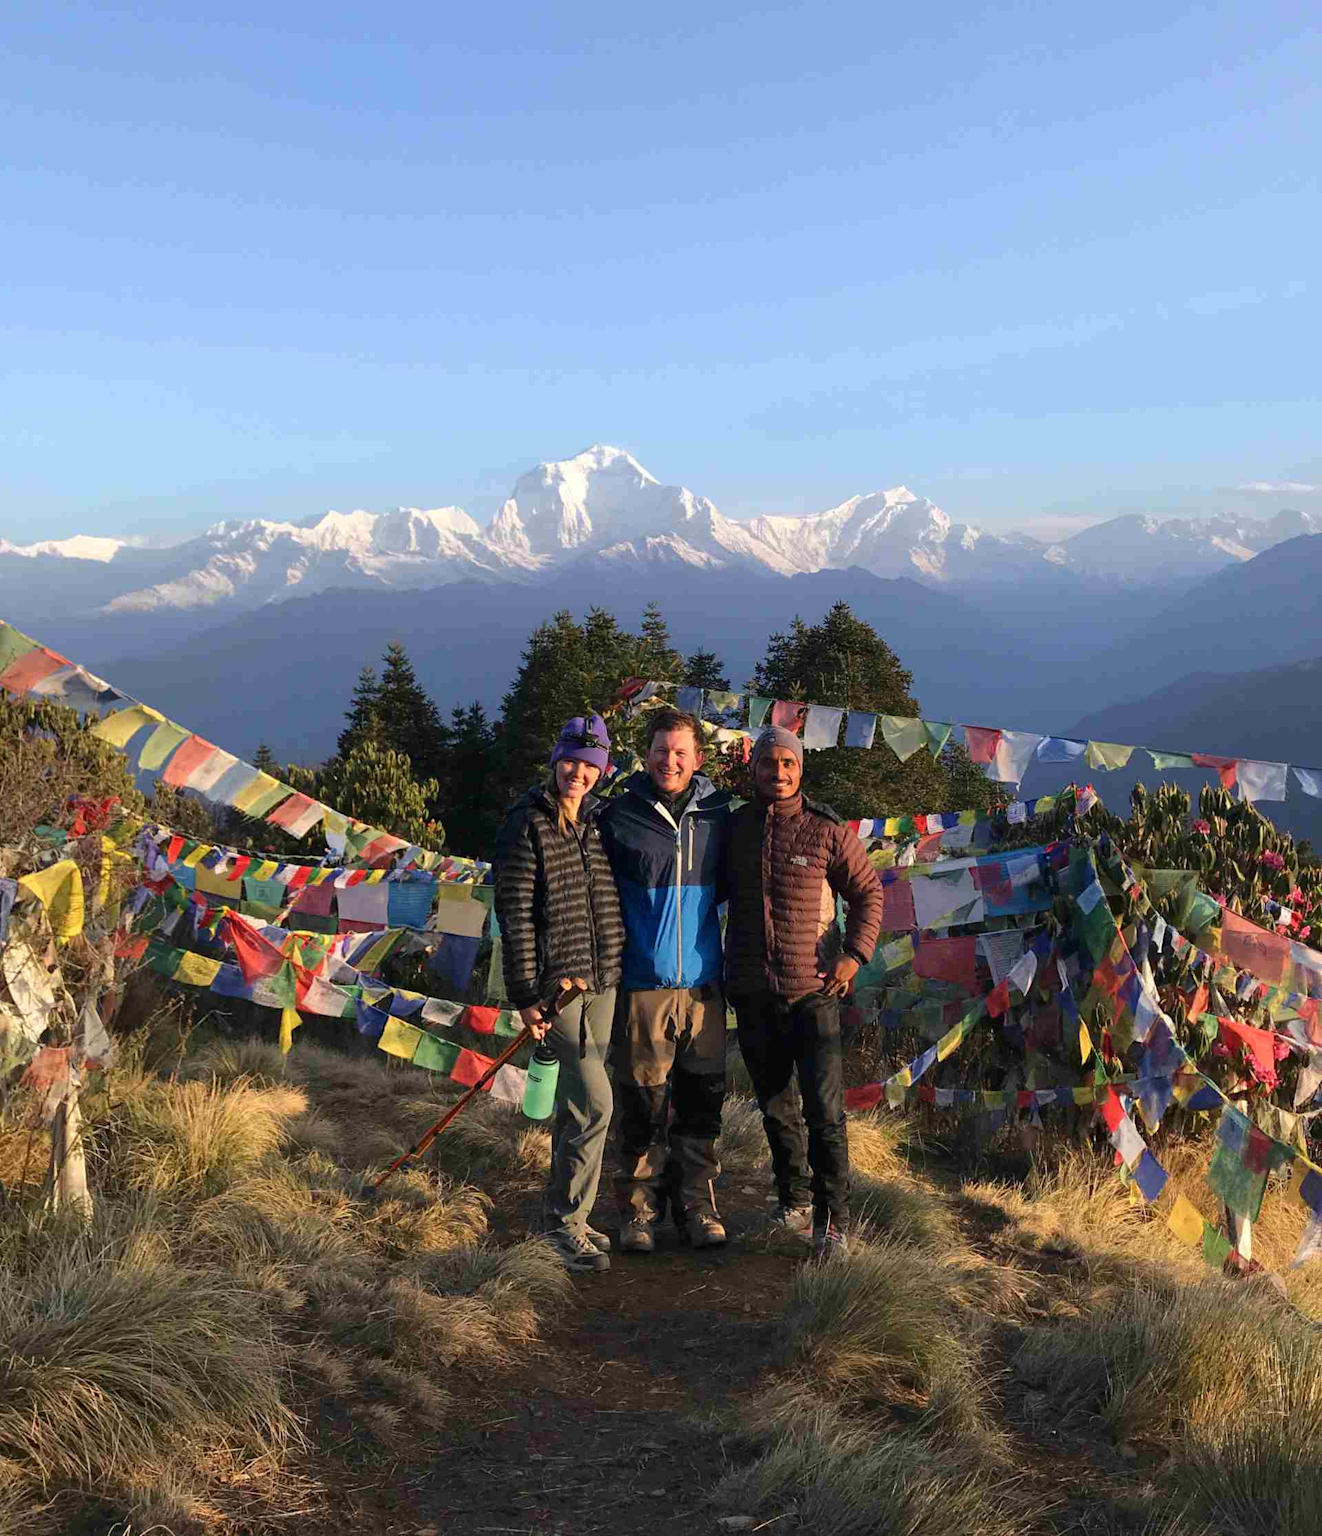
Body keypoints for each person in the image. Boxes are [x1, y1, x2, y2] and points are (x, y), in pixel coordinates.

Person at [724, 725, 883, 1258]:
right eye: (769, 763)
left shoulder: (825, 830)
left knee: (825, 1113)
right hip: (751, 991)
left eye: (788, 764)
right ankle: (791, 1199)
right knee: (774, 1106)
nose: (779, 772)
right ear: (755, 770)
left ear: (800, 770)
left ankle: (832, 1221)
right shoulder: (735, 829)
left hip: (814, 993)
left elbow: (867, 892)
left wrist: (854, 955)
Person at [493, 715, 625, 1274]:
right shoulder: (527, 824)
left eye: (590, 766)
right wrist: (526, 994)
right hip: (558, 990)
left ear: (602, 773)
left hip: (604, 981)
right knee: (597, 1103)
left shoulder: (593, 824)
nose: (578, 773)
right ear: (555, 761)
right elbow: (516, 916)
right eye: (571, 761)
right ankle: (566, 1225)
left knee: (576, 1108)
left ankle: (565, 1215)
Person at [598, 706, 733, 1251]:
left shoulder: (721, 817)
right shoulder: (617, 816)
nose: (669, 761)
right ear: (645, 754)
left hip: (703, 985)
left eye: (680, 752)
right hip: (642, 984)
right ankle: (638, 1211)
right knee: (643, 1104)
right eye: (660, 750)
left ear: (698, 759)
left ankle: (697, 1207)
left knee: (702, 1104)